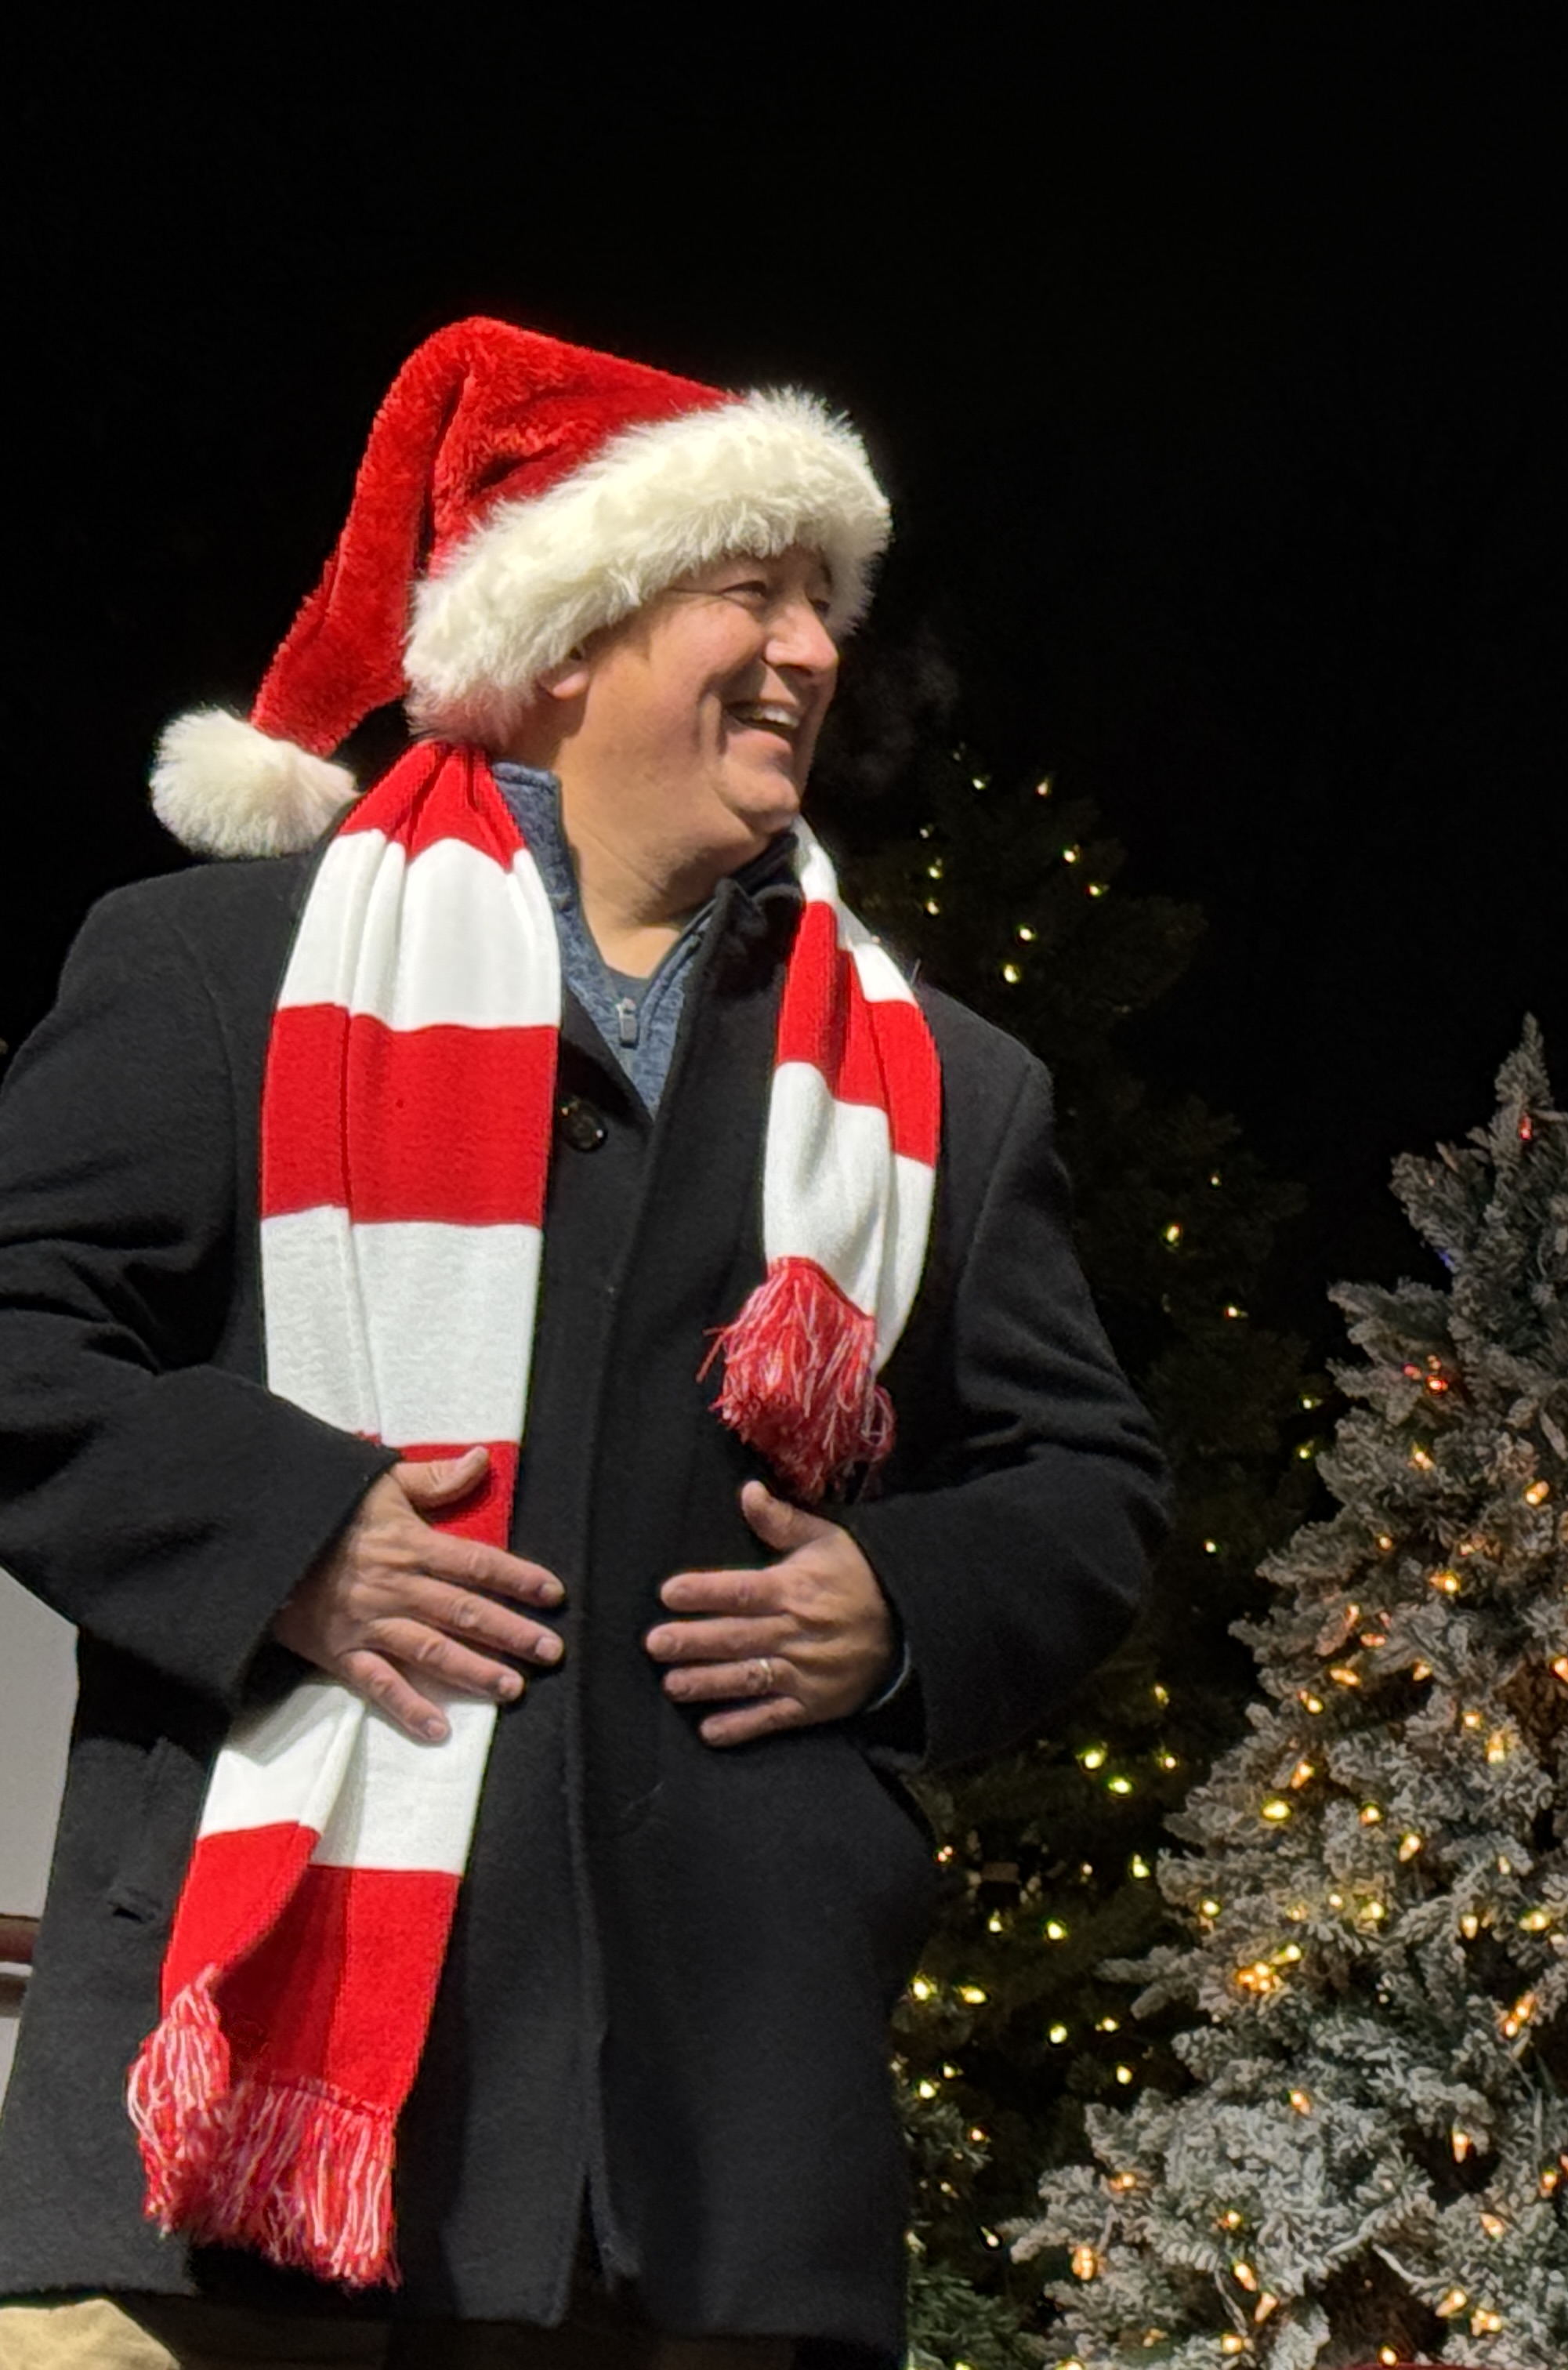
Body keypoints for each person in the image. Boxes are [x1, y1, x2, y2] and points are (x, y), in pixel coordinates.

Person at [0, 321, 1166, 2367]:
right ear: (561, 642)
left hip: (706, 2168)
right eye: (751, 589)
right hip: (229, 2189)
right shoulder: (216, 975)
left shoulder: (947, 1098)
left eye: (828, 602)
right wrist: (287, 1537)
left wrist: (897, 1599)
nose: (812, 648)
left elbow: (1085, 1493)